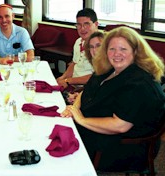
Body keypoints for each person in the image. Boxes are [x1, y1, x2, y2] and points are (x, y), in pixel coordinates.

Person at [62, 26, 165, 172]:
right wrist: (75, 108)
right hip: (101, 130)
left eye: (123, 49)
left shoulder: (139, 83)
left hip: (126, 147)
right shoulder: (109, 69)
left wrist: (81, 119)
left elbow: (120, 125)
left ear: (135, 51)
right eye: (112, 49)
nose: (117, 54)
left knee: (62, 152)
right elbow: (86, 91)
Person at [56, 8, 98, 88]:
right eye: (79, 25)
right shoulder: (78, 41)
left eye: (86, 24)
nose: (82, 28)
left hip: (89, 88)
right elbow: (74, 64)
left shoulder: (101, 46)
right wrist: (62, 78)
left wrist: (67, 81)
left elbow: (96, 76)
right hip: (73, 85)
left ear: (96, 24)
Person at [65, 31, 104, 105]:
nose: (94, 50)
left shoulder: (112, 70)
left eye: (98, 45)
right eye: (91, 47)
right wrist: (79, 96)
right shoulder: (99, 68)